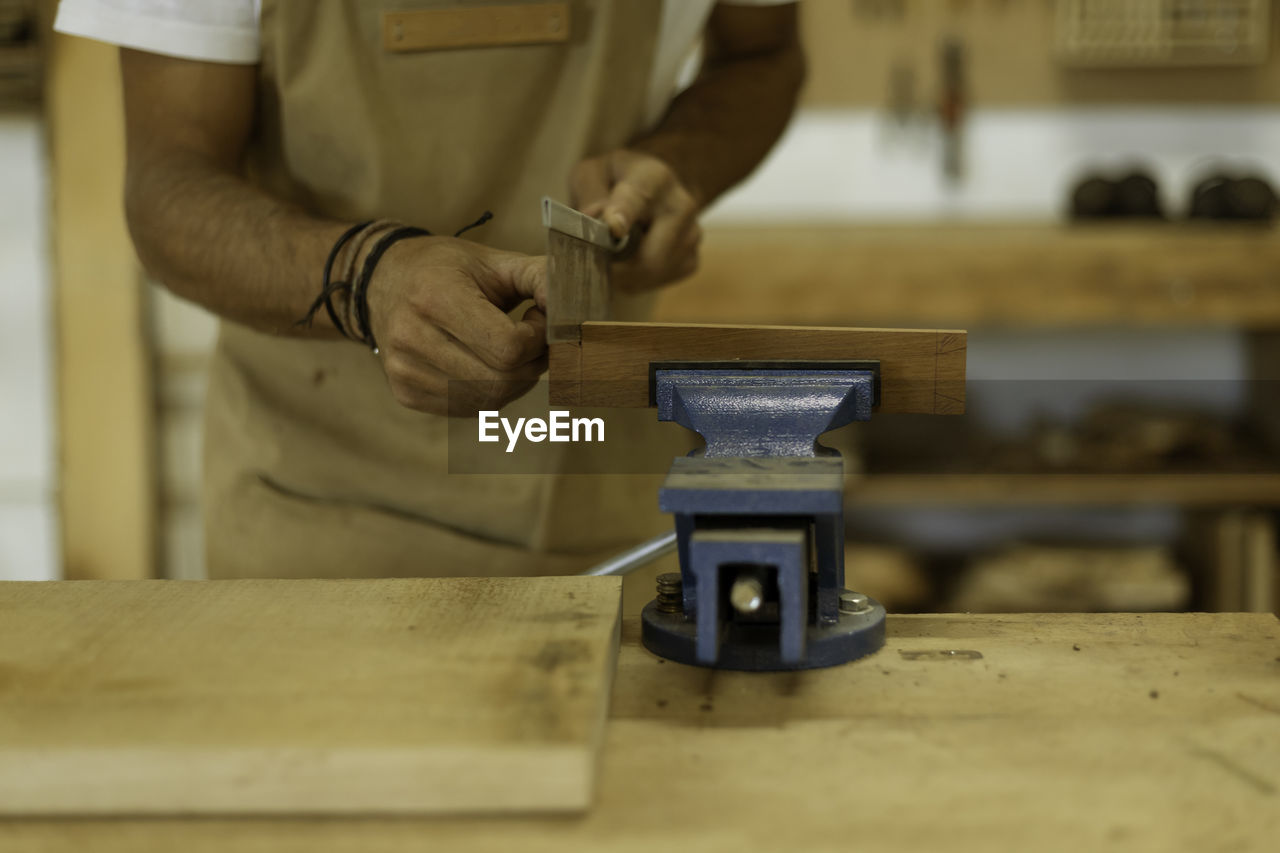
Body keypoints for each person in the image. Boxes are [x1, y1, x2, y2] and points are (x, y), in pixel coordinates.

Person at [54, 0, 805, 579]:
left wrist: (676, 163)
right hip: (318, 528)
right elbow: (167, 187)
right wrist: (367, 276)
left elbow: (762, 52)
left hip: (607, 495)